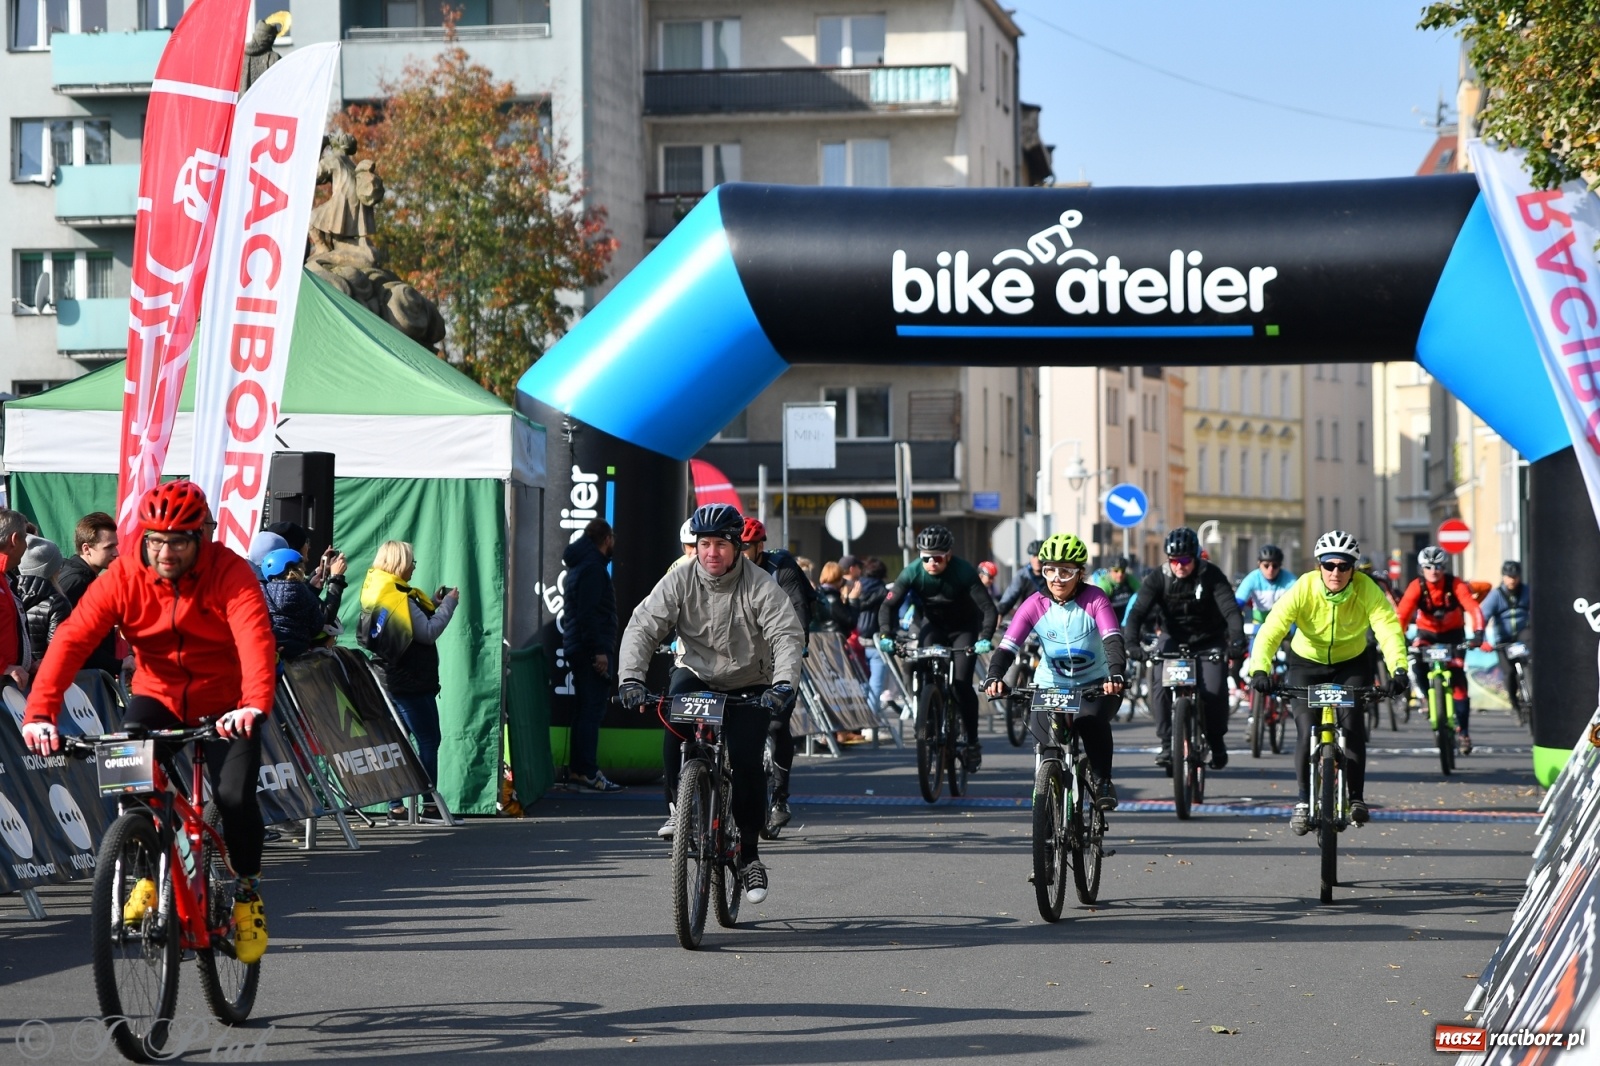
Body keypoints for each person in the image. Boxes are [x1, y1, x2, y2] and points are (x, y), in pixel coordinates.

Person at [20, 481, 276, 964]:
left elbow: (255, 638)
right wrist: (40, 713)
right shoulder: (125, 576)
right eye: (155, 540)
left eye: (177, 541)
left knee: (235, 796)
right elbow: (72, 639)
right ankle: (144, 877)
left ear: (200, 536)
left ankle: (246, 891)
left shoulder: (229, 572)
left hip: (227, 702)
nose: (164, 551)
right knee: (125, 770)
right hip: (157, 695)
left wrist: (253, 703)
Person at [617, 504, 805, 904]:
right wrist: (631, 678)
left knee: (747, 758)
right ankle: (678, 808)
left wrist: (783, 683)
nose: (712, 552)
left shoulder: (759, 584)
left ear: (738, 547)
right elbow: (643, 626)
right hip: (698, 673)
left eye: (721, 544)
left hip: (749, 680)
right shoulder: (680, 579)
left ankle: (750, 854)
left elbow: (787, 635)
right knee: (673, 721)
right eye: (704, 544)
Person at [1247, 530, 1409, 833]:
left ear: (1354, 568)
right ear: (1319, 565)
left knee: (1351, 725)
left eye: (1344, 566)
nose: (1336, 572)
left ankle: (1357, 799)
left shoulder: (1367, 589)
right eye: (1329, 565)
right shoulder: (1303, 587)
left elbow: (1387, 628)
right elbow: (1272, 628)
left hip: (1351, 662)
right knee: (1305, 728)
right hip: (1306, 662)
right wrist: (1260, 670)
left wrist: (1399, 669)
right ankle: (1302, 802)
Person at [983, 534, 1126, 809]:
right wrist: (994, 676)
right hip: (1050, 685)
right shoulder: (1034, 604)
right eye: (1050, 570)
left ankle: (1102, 780)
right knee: (1046, 746)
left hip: (1095, 683)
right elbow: (1007, 647)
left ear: (1080, 574)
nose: (1057, 578)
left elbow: (1112, 640)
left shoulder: (1096, 599)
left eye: (1066, 571)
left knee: (1089, 720)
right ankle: (1048, 810)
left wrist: (1116, 673)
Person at [1123, 526, 1246, 772]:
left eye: (1185, 560)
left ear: (1196, 557)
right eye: (1174, 560)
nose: (1179, 566)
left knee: (1214, 688)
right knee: (1158, 681)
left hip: (1209, 640)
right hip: (1172, 638)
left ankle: (1216, 739)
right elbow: (1137, 613)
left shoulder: (1212, 575)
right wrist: (1132, 644)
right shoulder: (1159, 577)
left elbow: (1231, 611)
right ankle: (1167, 743)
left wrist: (1236, 642)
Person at [876, 525, 999, 769]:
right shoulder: (912, 571)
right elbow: (888, 606)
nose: (932, 562)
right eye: (926, 558)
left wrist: (985, 637)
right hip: (933, 626)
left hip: (963, 628)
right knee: (923, 668)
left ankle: (972, 741)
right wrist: (886, 635)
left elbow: (988, 609)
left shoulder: (963, 571)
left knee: (961, 684)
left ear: (949, 555)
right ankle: (927, 716)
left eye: (938, 557)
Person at [358, 540, 460, 818]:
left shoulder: (380, 591)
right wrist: (448, 606)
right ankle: (429, 805)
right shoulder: (401, 598)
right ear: (400, 564)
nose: (414, 567)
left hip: (390, 679)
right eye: (412, 562)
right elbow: (427, 632)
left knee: (399, 741)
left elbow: (407, 626)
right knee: (429, 738)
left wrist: (434, 603)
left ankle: (397, 805)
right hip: (411, 682)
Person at [740, 517, 815, 835]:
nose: (741, 554)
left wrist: (796, 645)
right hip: (746, 653)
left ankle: (779, 800)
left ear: (760, 546)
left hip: (781, 649)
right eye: (737, 547)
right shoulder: (728, 568)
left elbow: (798, 608)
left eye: (747, 548)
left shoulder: (781, 567)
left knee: (775, 723)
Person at [1396, 545, 1486, 753]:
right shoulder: (1416, 587)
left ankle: (1463, 732)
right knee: (1416, 662)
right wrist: (1399, 639)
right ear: (1421, 569)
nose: (1433, 571)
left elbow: (1473, 608)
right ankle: (1427, 698)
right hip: (1427, 634)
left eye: (1438, 566)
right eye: (1428, 567)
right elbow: (1401, 615)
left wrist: (1479, 633)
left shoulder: (1455, 584)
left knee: (1459, 682)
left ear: (1444, 567)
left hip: (1454, 635)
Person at [560, 518, 621, 792]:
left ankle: (579, 770)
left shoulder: (580, 565)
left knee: (584, 709)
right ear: (606, 539)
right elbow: (589, 614)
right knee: (591, 711)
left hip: (578, 646)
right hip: (589, 650)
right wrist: (599, 651)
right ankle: (586, 770)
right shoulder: (593, 569)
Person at [57, 511, 120, 675]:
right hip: (84, 683)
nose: (116, 553)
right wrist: (117, 665)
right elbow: (75, 643)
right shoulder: (77, 583)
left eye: (116, 545)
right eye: (109, 547)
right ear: (86, 548)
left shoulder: (81, 577)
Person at [1480, 559, 1532, 721]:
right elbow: (1482, 617)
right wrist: (1482, 640)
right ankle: (1514, 703)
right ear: (1503, 577)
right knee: (1508, 672)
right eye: (1509, 577)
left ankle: (1532, 693)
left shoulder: (1527, 591)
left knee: (1530, 663)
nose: (1512, 580)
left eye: (1515, 576)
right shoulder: (1496, 595)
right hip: (1504, 639)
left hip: (1523, 635)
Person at [260, 549, 325, 660]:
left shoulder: (264, 591)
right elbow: (317, 627)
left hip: (273, 646)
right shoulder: (307, 593)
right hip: (300, 650)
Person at [16, 535, 70, 658]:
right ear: (53, 568)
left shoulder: (9, 594)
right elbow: (59, 653)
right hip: (44, 673)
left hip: (17, 673)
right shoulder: (57, 603)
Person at [853, 557, 891, 711]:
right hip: (876, 642)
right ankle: (871, 721)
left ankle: (858, 720)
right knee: (876, 683)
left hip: (856, 641)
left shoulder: (856, 587)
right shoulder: (884, 591)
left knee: (859, 682)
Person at [0, 510, 33, 689]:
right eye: (25, 539)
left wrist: (29, 662)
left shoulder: (6, 579)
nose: (27, 546)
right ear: (14, 540)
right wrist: (4, 668)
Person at [1234, 544, 1296, 625]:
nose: (1270, 570)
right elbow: (1237, 604)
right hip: (1259, 622)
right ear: (1259, 564)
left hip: (1282, 622)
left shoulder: (1290, 580)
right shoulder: (1252, 578)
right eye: (1266, 565)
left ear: (1280, 566)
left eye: (1275, 566)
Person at [997, 540, 1049, 615]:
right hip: (1028, 614)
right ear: (1030, 558)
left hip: (1048, 614)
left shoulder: (1050, 574)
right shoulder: (1023, 575)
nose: (1037, 560)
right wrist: (1000, 612)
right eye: (1034, 556)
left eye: (1040, 556)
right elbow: (1011, 595)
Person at [1092, 555, 1142, 622]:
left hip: (1129, 620)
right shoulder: (1105, 584)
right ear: (1110, 571)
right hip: (1111, 620)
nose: (1120, 574)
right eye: (1116, 571)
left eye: (1123, 571)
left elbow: (1142, 592)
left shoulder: (1129, 579)